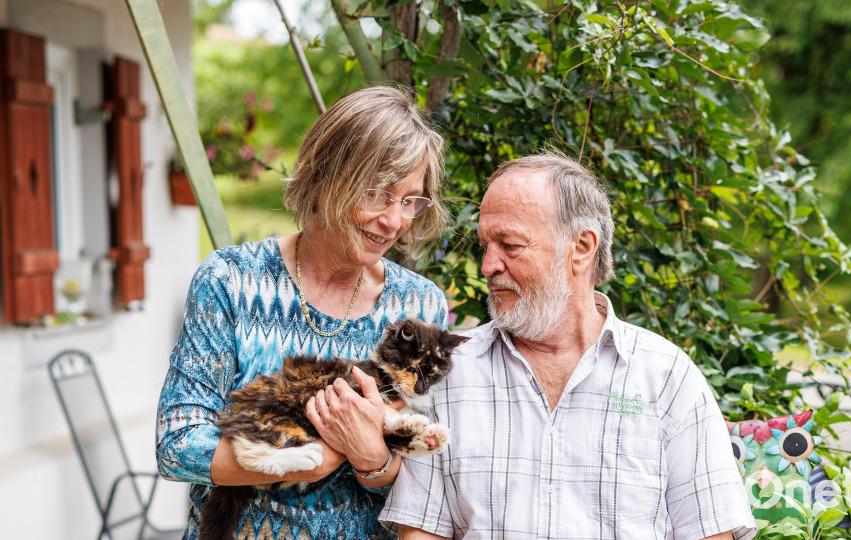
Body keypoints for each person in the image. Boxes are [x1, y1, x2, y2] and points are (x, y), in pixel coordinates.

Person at [380, 153, 757, 539]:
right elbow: (421, 531)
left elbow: (712, 533)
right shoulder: (449, 373)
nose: (488, 265)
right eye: (485, 246)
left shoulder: (665, 378)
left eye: (510, 245)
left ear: (581, 247)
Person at [156, 85, 450, 539]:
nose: (394, 221)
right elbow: (177, 446)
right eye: (377, 194)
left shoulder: (418, 305)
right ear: (327, 177)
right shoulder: (232, 281)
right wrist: (317, 456)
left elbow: (430, 480)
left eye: (409, 201)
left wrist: (371, 458)